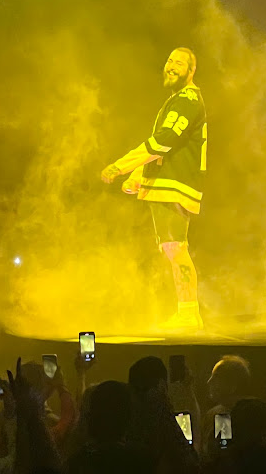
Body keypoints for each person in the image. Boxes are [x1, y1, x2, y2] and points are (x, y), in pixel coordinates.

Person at [101, 47, 207, 331]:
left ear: (191, 71)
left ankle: (188, 314)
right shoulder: (176, 100)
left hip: (174, 185)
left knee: (176, 248)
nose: (171, 66)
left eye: (179, 63)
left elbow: (164, 141)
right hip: (166, 184)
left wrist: (120, 166)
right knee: (172, 248)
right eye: (169, 60)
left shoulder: (187, 100)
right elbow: (161, 147)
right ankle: (186, 313)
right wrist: (139, 177)